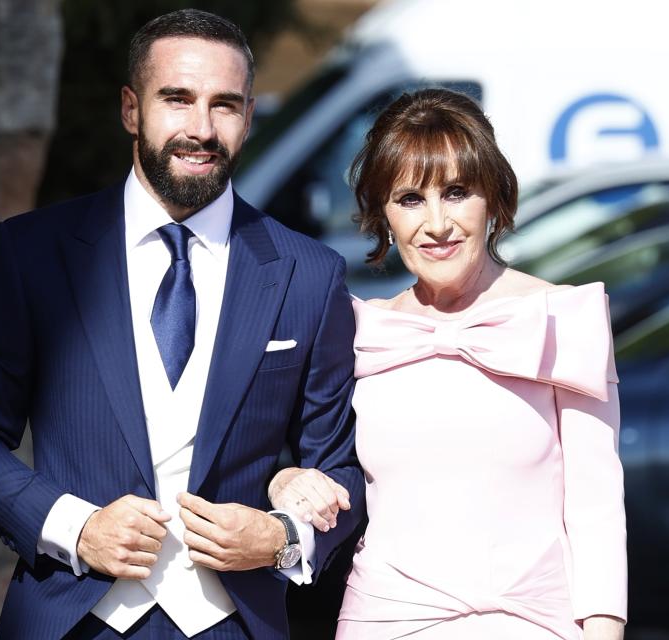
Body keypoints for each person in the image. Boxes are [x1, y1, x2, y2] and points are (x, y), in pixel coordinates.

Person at [0, 9, 364, 640]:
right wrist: (76, 528)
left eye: (225, 105)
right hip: (72, 617)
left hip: (234, 623)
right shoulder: (33, 254)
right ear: (132, 109)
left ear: (249, 114)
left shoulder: (309, 273)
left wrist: (280, 537)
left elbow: (340, 468)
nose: (201, 128)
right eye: (177, 99)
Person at [268, 88, 627, 639]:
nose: (436, 223)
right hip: (384, 623)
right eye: (410, 199)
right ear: (382, 214)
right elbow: (316, 461)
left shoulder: (559, 319)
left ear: (493, 198)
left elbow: (596, 510)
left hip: (536, 625)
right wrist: (287, 481)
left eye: (456, 192)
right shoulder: (360, 329)